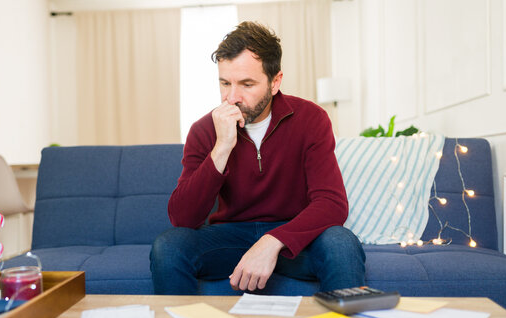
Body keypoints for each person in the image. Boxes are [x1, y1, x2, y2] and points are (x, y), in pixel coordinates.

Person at [150, 21, 365, 295]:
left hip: (292, 238)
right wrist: (222, 147)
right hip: (230, 237)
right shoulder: (204, 130)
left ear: (275, 82)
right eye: (225, 83)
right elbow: (183, 218)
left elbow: (332, 204)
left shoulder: (311, 119)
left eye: (247, 84)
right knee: (168, 245)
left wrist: (272, 241)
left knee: (341, 242)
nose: (232, 97)